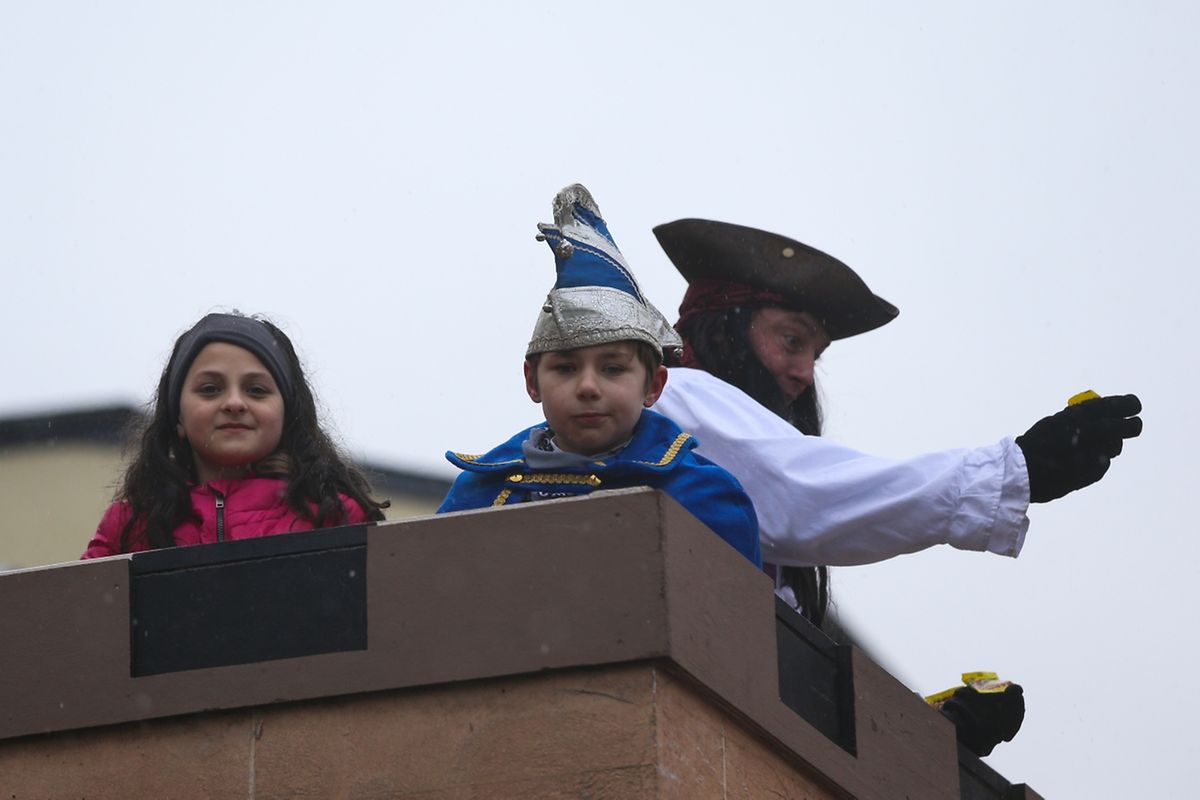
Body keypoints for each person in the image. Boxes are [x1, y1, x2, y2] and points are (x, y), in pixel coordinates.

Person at [649, 218, 1143, 624]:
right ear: (726, 330)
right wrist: (1013, 470)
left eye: (815, 355)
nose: (804, 374)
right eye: (792, 341)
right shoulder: (680, 395)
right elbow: (802, 495)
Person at [437, 185, 761, 568]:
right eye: (565, 368)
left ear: (653, 386)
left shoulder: (704, 497)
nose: (588, 387)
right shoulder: (478, 493)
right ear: (532, 381)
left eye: (612, 368)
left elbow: (729, 620)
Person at [83, 312, 387, 557]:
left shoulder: (336, 515)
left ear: (287, 415)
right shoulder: (129, 527)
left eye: (256, 390)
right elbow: (77, 622)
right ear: (178, 418)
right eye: (210, 389)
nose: (234, 403)